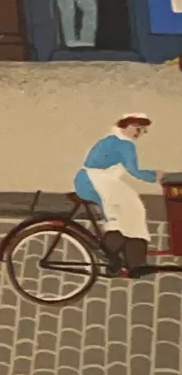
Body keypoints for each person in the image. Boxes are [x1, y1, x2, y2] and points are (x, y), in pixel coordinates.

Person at [75, 112, 158, 276]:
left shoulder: (111, 139)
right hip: (97, 181)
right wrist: (157, 177)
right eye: (137, 128)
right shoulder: (125, 144)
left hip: (89, 181)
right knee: (133, 210)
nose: (139, 133)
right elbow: (134, 171)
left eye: (142, 130)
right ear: (126, 126)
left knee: (123, 217)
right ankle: (132, 262)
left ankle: (118, 260)